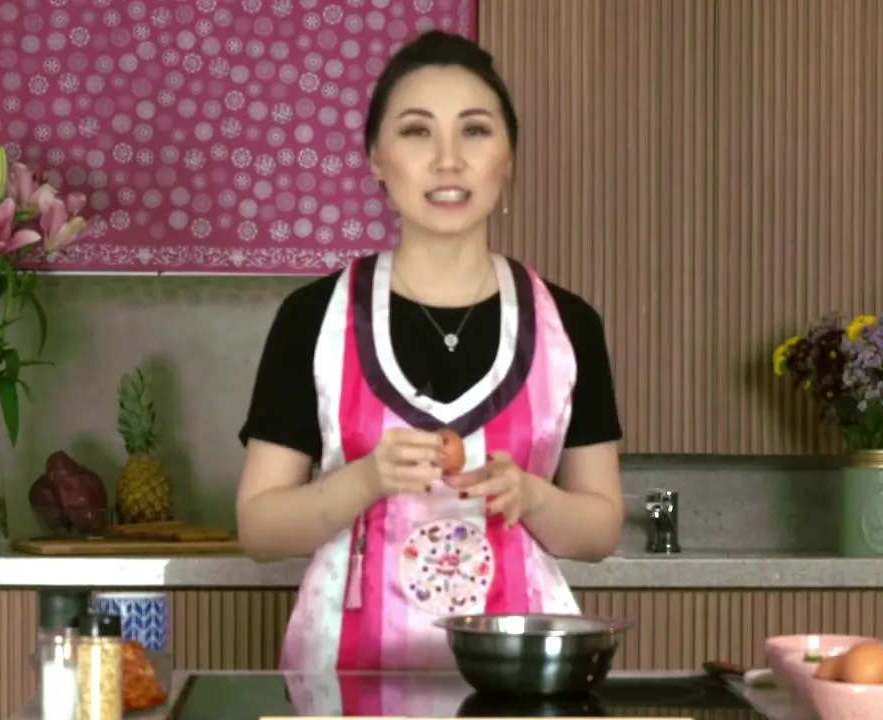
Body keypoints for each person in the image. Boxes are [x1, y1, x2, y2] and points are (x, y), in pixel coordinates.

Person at [236, 30, 626, 675]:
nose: (448, 161)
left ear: (509, 156)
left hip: (518, 679)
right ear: (376, 159)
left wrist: (533, 496)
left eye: (475, 131)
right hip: (345, 676)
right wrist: (365, 480)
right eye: (417, 132)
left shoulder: (567, 324)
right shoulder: (315, 318)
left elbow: (599, 531)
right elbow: (258, 530)